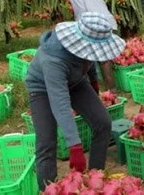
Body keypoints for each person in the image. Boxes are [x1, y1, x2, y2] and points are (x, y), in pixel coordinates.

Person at [25, 12, 125, 191]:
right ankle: (49, 190)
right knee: (46, 143)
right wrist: (75, 146)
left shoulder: (86, 42)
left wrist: (93, 82)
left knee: (102, 122)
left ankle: (95, 178)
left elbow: (90, 57)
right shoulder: (53, 59)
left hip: (76, 81)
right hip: (43, 90)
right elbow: (60, 103)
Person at [70, 0, 118, 92]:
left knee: (85, 57)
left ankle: (90, 89)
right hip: (109, 24)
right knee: (105, 58)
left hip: (95, 25)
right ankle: (112, 89)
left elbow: (80, 11)